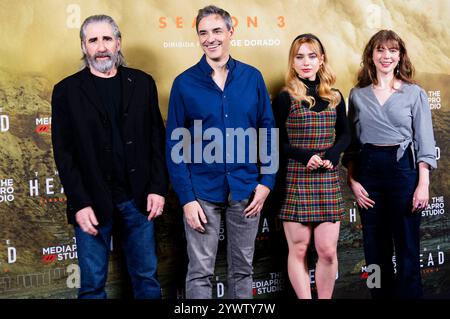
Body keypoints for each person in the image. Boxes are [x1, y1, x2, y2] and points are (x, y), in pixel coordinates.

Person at [51, 14, 168, 299]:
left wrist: (157, 189)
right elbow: (64, 155)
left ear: (118, 43)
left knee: (147, 279)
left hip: (139, 199)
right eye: (93, 40)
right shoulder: (66, 91)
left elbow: (157, 141)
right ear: (84, 46)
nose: (101, 46)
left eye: (107, 38)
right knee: (92, 287)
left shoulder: (142, 83)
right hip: (91, 202)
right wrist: (79, 203)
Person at [165, 5, 277, 299]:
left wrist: (267, 182)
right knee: (200, 271)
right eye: (203, 32)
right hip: (202, 192)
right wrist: (187, 199)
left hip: (246, 190)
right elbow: (175, 149)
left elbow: (268, 131)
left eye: (216, 31)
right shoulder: (184, 83)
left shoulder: (252, 78)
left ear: (230, 32)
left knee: (243, 269)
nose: (210, 38)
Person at [343, 30, 437, 299]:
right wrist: (353, 181)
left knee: (407, 246)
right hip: (369, 176)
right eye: (380, 50)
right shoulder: (357, 95)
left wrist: (423, 184)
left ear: (400, 56)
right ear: (371, 56)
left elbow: (425, 143)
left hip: (404, 175)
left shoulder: (414, 93)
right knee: (374, 249)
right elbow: (352, 146)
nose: (386, 56)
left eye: (392, 50)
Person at [272, 34, 350, 299]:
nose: (306, 62)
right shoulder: (285, 97)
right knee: (300, 248)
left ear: (321, 60)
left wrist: (333, 153)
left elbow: (345, 135)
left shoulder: (337, 97)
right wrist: (303, 155)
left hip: (327, 178)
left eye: (312, 56)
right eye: (299, 56)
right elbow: (272, 142)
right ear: (292, 62)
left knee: (327, 250)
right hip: (296, 178)